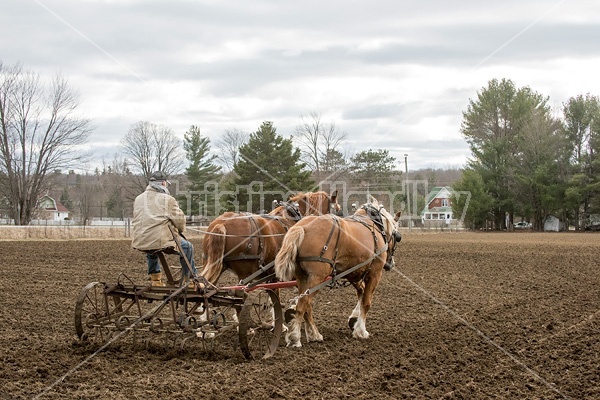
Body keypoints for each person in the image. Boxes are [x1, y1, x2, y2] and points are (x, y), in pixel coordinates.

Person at [131, 171, 198, 286]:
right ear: (163, 183)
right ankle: (190, 280)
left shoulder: (138, 198)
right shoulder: (168, 199)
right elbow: (179, 221)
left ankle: (155, 280)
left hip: (141, 239)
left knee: (151, 248)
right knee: (187, 247)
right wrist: (181, 231)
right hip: (160, 240)